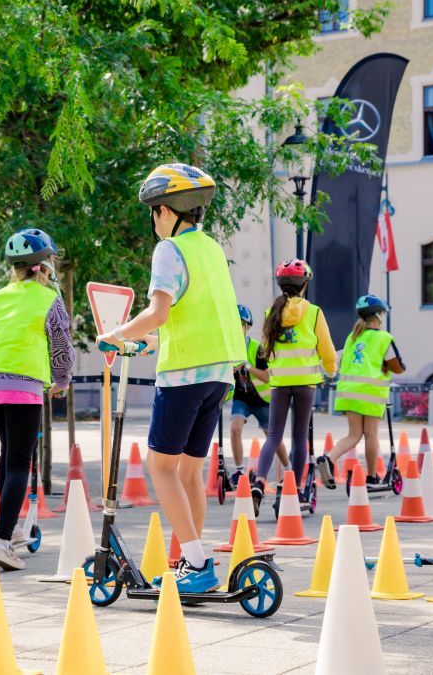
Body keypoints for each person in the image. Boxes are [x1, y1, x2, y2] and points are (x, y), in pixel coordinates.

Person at [96, 163, 244, 593]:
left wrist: (115, 335)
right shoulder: (211, 249)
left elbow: (158, 311)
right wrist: (150, 344)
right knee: (188, 473)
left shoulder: (169, 251)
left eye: (153, 213)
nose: (153, 222)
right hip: (218, 375)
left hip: (183, 377)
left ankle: (196, 564)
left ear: (165, 211)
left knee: (159, 467)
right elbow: (193, 315)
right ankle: (190, 564)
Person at [0, 228, 74, 571]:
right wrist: (62, 381)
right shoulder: (49, 299)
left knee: (10, 453)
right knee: (20, 461)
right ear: (44, 265)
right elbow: (61, 345)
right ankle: (1, 541)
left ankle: (12, 528)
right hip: (22, 386)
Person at [251, 259, 336, 511]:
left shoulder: (271, 313)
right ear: (305, 284)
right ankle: (295, 489)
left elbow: (264, 349)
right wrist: (331, 371)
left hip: (279, 382)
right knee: (299, 438)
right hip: (306, 383)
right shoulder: (314, 312)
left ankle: (259, 481)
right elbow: (327, 348)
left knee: (274, 436)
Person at [317, 295, 403, 488]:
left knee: (353, 435)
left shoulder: (352, 337)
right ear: (378, 316)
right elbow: (397, 366)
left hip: (348, 391)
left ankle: (329, 458)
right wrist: (388, 367)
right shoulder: (383, 338)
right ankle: (372, 478)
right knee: (370, 434)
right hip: (371, 392)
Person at [228, 304, 289, 486]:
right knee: (235, 428)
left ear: (247, 327)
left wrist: (248, 367)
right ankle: (239, 472)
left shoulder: (257, 348)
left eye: (240, 324)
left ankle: (289, 469)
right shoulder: (228, 350)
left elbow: (267, 376)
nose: (237, 328)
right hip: (242, 398)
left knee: (273, 437)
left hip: (263, 400)